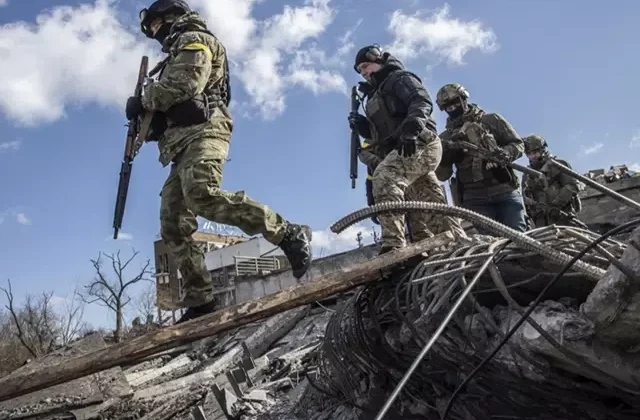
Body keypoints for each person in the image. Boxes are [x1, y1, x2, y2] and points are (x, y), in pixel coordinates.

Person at [126, 0, 312, 323]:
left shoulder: (195, 39)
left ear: (172, 16)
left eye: (156, 24)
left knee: (202, 194)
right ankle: (200, 298)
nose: (155, 33)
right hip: (181, 146)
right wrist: (144, 117)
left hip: (206, 133)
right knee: (172, 222)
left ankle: (287, 233)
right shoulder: (170, 57)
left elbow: (185, 86)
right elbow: (167, 113)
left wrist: (143, 98)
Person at [348, 45, 466, 254]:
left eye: (366, 66)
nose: (364, 72)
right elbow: (381, 134)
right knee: (430, 206)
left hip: (420, 142)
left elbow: (421, 101)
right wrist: (362, 125)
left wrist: (411, 129)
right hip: (404, 151)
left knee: (385, 176)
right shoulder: (376, 95)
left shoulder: (399, 78)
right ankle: (455, 245)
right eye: (360, 70)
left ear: (380, 60)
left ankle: (393, 245)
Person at [435, 83, 528, 234]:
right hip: (474, 198)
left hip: (504, 190)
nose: (453, 109)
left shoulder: (491, 120)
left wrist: (505, 153)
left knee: (519, 238)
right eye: (448, 108)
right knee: (491, 245)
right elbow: (442, 175)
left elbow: (517, 144)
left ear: (464, 99)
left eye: (456, 103)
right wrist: (448, 157)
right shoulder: (445, 138)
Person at [521, 134, 582, 227]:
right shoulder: (527, 173)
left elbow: (572, 186)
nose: (532, 156)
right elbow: (524, 195)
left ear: (542, 150)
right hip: (540, 220)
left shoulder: (558, 164)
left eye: (534, 152)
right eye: (529, 154)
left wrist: (555, 205)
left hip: (562, 215)